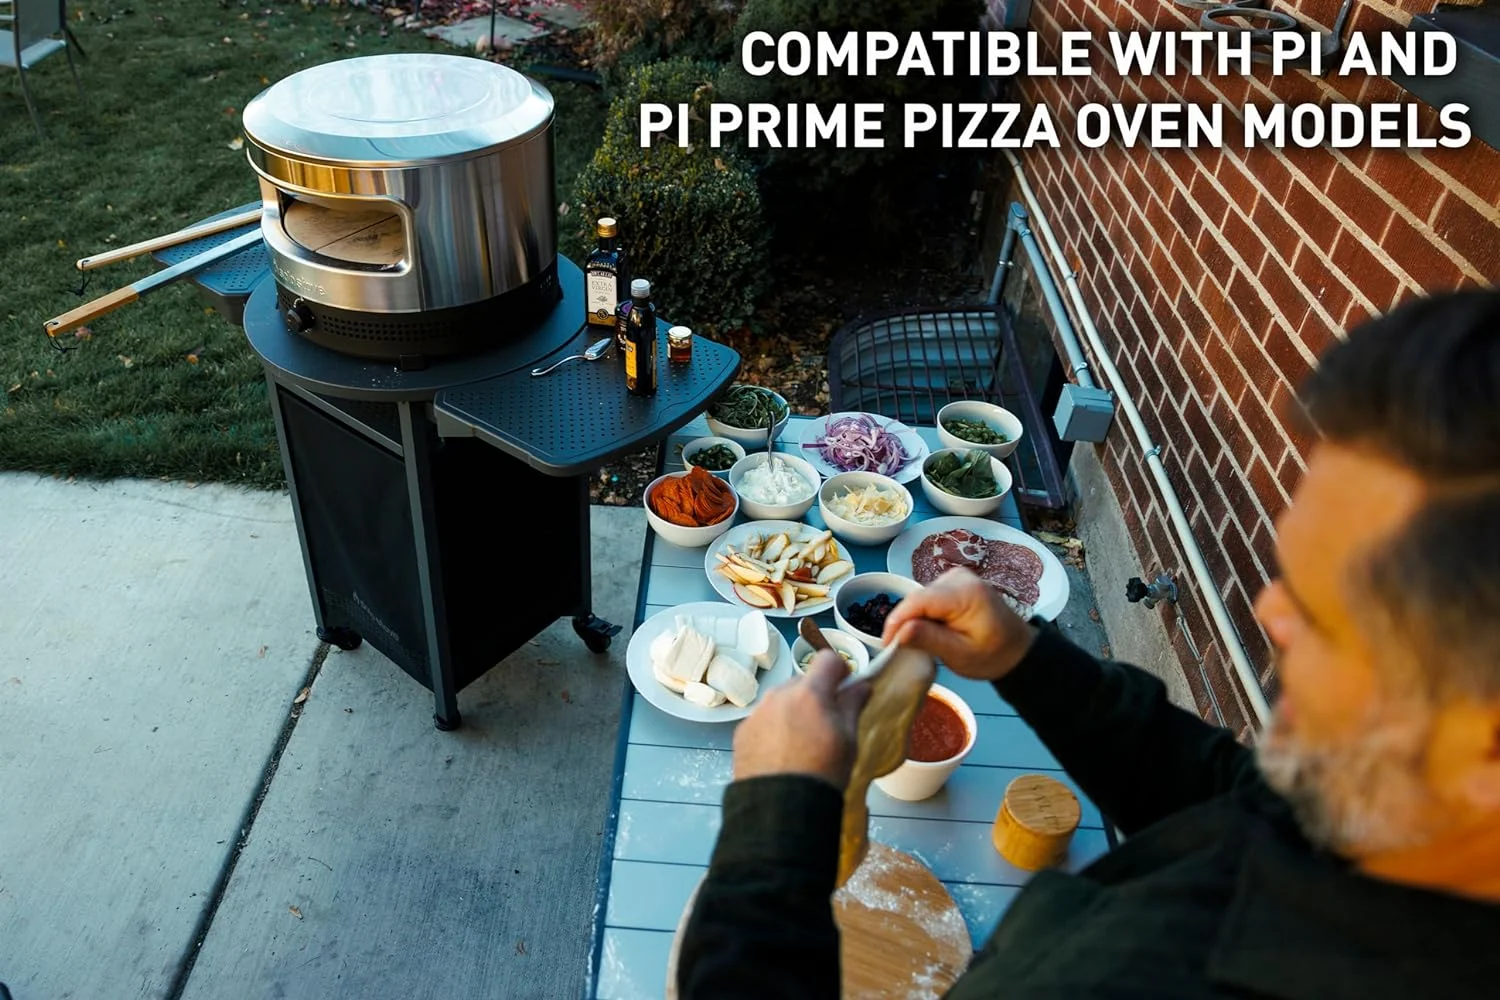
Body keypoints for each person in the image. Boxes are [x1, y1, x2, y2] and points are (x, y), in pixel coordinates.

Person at [676, 289, 1500, 998]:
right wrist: (1029, 662)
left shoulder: (1165, 976)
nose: (1271, 614)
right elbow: (1229, 799)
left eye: (1324, 616)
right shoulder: (1388, 816)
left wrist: (775, 820)